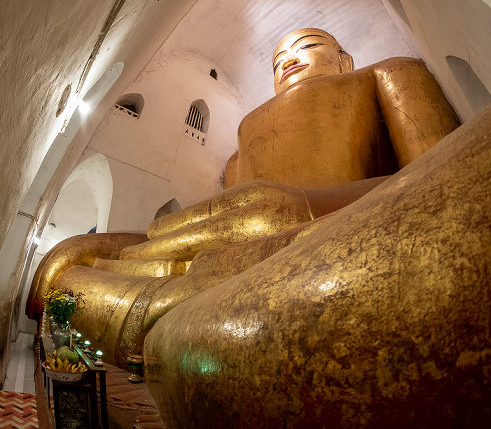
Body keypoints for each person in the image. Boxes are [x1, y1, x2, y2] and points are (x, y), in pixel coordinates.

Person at [27, 27, 459, 367]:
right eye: (276, 61)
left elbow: (440, 177)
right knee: (86, 252)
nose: (287, 59)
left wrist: (299, 207)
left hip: (312, 234)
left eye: (306, 46)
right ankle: (164, 313)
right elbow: (219, 224)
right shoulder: (241, 144)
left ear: (344, 60)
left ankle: (166, 322)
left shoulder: (387, 74)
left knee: (257, 215)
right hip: (238, 233)